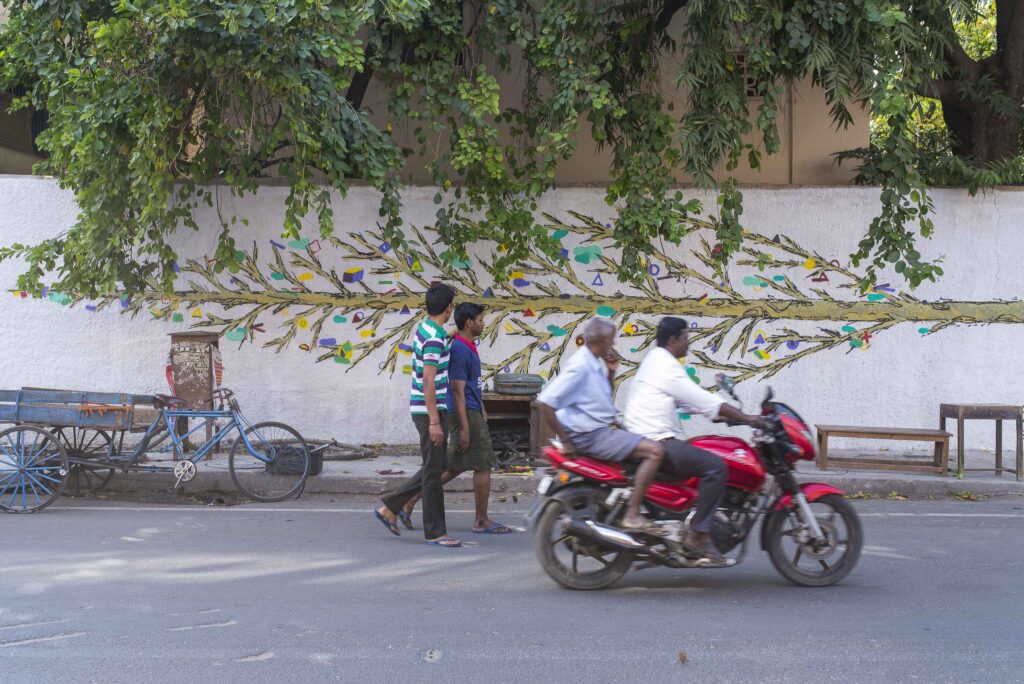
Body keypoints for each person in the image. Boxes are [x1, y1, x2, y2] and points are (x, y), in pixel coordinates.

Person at [623, 316, 763, 565]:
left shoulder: (657, 362)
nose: (689, 343)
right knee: (717, 467)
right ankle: (699, 535)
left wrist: (724, 417)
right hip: (657, 439)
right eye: (686, 338)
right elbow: (701, 398)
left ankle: (691, 520)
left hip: (648, 435)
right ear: (673, 339)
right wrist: (747, 417)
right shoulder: (665, 365)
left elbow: (688, 401)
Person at [536, 317, 665, 531]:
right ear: (604, 339)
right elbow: (546, 403)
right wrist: (567, 441)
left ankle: (626, 503)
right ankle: (632, 515)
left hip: (600, 430)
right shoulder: (580, 367)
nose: (613, 344)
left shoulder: (592, 363)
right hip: (590, 435)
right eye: (612, 340)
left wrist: (611, 371)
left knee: (647, 446)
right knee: (655, 451)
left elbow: (600, 401)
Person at [398, 303, 512, 534]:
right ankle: (481, 520)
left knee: (454, 466)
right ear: (469, 323)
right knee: (483, 464)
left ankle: (408, 502)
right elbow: (457, 389)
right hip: (464, 412)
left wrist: (481, 405)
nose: (483, 323)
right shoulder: (460, 349)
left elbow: (470, 384)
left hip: (471, 409)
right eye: (480, 319)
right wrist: (466, 427)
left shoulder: (467, 345)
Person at [374, 283, 461, 548]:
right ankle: (435, 532)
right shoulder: (434, 338)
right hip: (429, 411)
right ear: (448, 309)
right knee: (434, 473)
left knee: (437, 465)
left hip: (425, 409)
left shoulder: (427, 328)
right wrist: (435, 421)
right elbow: (428, 380)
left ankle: (391, 507)